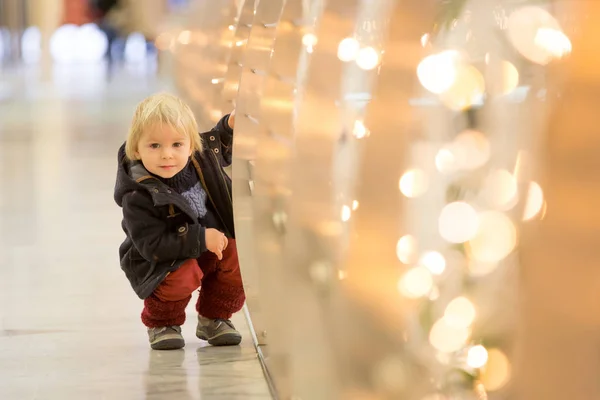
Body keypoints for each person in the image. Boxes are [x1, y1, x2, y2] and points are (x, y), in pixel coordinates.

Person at [114, 93, 245, 350]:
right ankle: (163, 322)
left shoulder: (200, 159)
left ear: (190, 145)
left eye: (177, 144)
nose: (167, 155)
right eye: (154, 146)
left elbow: (218, 143)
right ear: (136, 148)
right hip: (161, 261)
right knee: (183, 274)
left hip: (208, 247)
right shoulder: (138, 193)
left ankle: (214, 317)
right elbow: (153, 245)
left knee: (236, 255)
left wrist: (231, 125)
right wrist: (201, 238)